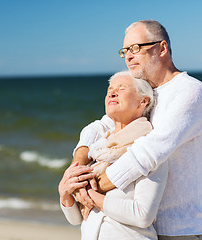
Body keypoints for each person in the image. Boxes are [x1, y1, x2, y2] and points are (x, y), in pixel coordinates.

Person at [68, 20, 202, 239]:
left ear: (162, 48)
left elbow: (148, 154)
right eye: (125, 51)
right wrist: (78, 165)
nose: (128, 56)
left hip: (186, 229)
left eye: (136, 48)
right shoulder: (148, 93)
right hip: (149, 230)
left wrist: (91, 187)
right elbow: (100, 125)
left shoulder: (190, 91)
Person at [59, 71, 168, 240]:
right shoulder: (99, 149)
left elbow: (143, 215)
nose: (112, 92)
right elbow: (76, 219)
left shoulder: (147, 149)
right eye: (110, 89)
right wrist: (64, 193)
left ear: (143, 101)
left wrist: (93, 197)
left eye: (121, 88)